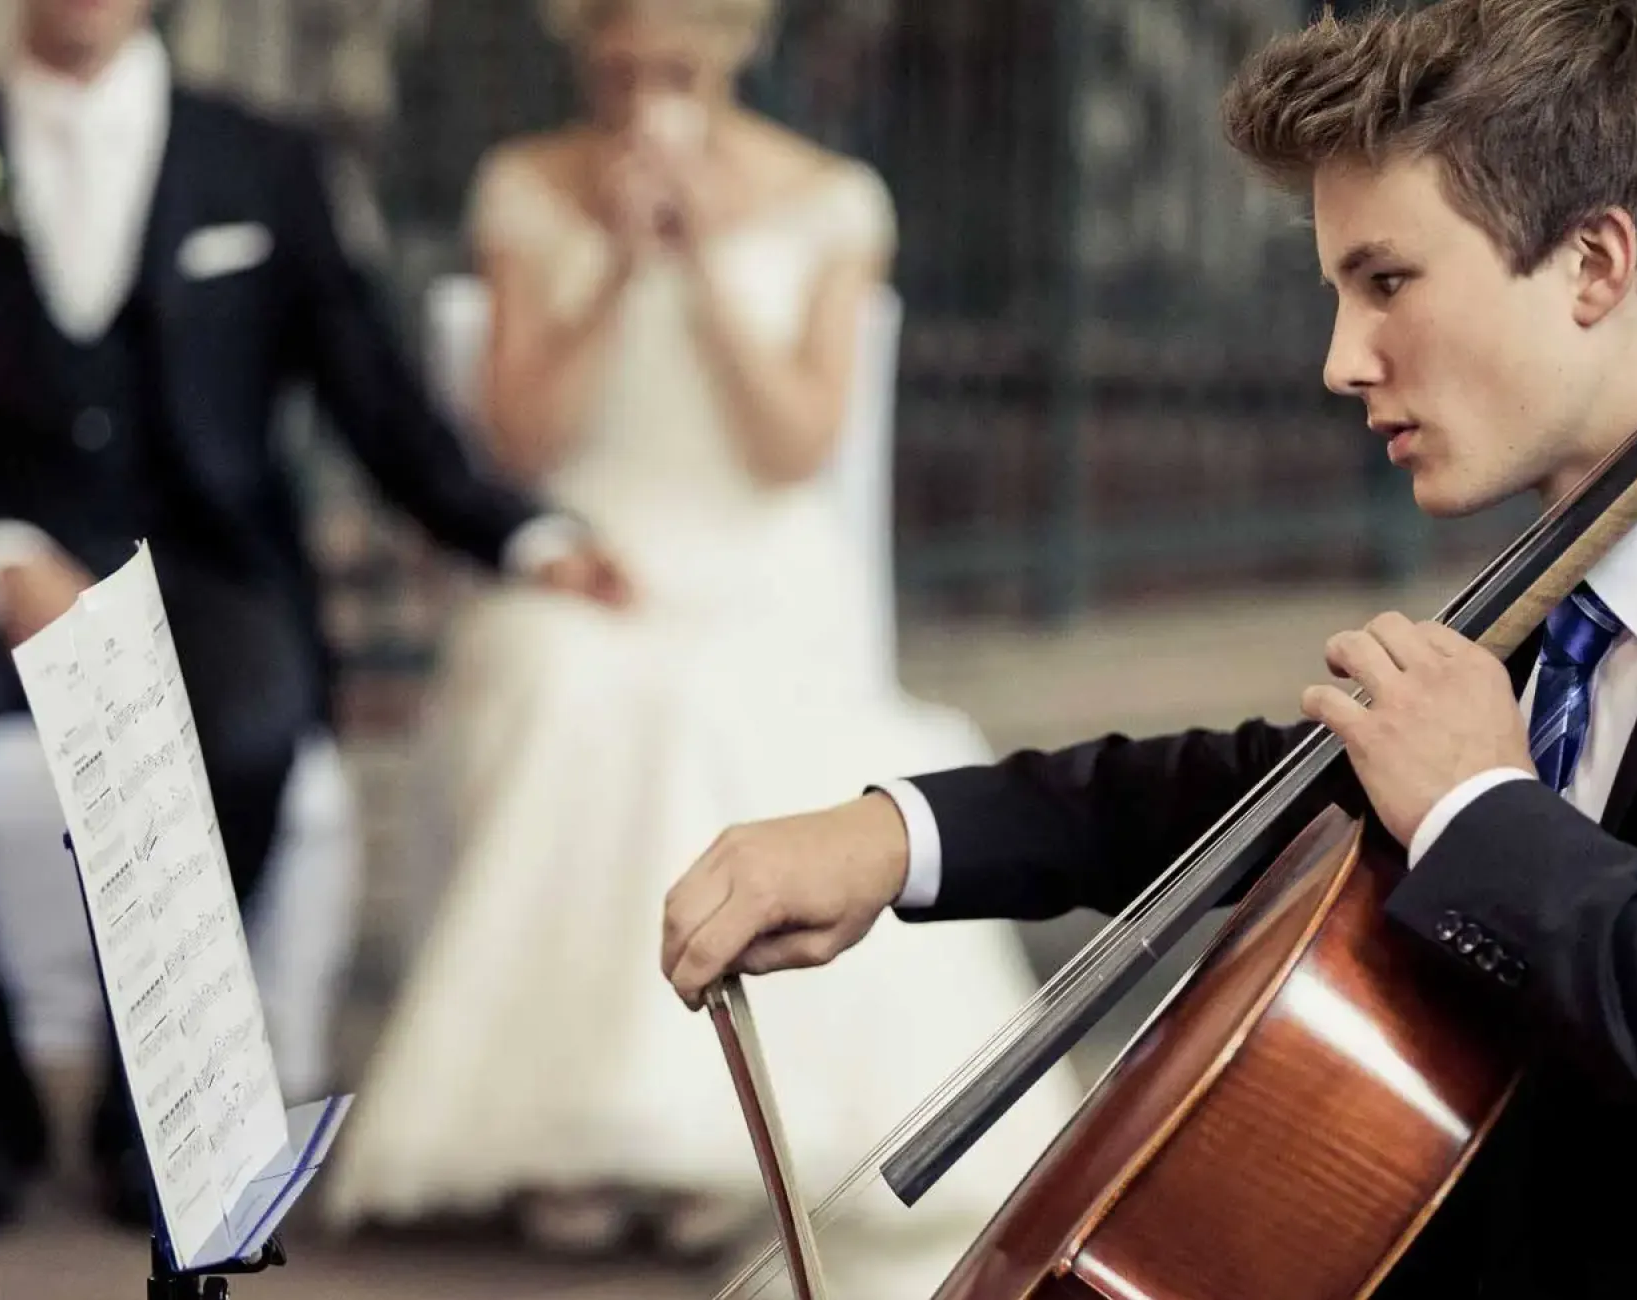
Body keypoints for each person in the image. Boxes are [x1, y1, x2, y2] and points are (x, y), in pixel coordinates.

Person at [658, 1, 1637, 1296]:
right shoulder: (1552, 609)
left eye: (1387, 280)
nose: (1341, 358)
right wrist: (894, 838)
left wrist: (1480, 811)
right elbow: (1257, 798)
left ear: (1594, 261)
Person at [0, 0, 629, 1236]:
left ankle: (150, 1118)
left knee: (248, 733)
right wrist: (2, 553)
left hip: (203, 568)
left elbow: (376, 401)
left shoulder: (268, 165)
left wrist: (523, 532)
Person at [318, 0, 1079, 1279]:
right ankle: (575, 1136)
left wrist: (710, 265)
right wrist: (615, 262)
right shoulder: (525, 185)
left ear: (730, 55)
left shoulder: (835, 199)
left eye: (672, 69)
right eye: (617, 71)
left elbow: (794, 447)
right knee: (574, 686)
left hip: (758, 560)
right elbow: (518, 443)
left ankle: (707, 1135)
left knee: (720, 703)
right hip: (593, 554)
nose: (643, 96)